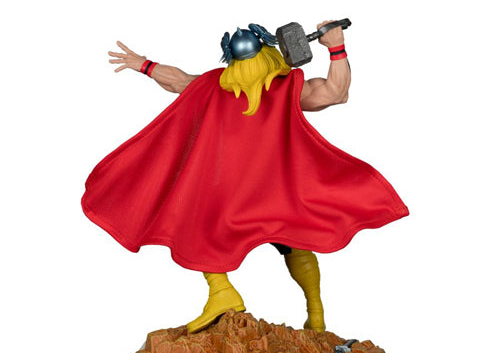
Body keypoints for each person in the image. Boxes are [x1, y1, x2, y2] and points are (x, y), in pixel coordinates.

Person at [82, 21, 408, 334]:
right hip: (279, 194)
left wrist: (144, 65)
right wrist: (336, 48)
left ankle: (223, 291)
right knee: (293, 240)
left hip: (229, 199)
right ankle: (315, 314)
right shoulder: (285, 88)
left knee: (199, 226)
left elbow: (178, 80)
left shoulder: (214, 86)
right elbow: (335, 92)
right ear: (268, 56)